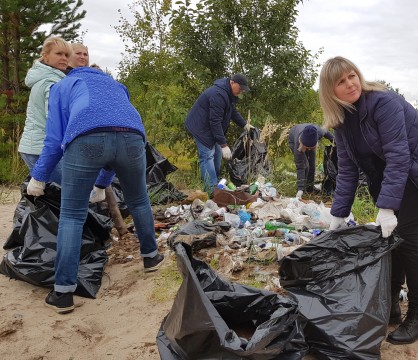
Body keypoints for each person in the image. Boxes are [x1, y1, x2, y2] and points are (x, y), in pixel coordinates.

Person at [320, 56, 418, 344]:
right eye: (341, 82)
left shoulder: (384, 102)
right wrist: (338, 215)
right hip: (389, 174)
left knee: (406, 238)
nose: (350, 83)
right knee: (388, 239)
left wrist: (387, 207)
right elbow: (347, 170)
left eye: (352, 75)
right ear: (331, 92)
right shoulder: (341, 121)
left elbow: (398, 155)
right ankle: (390, 306)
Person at [26, 66, 165, 314]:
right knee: (139, 200)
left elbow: (54, 139)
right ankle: (151, 257)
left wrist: (39, 176)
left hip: (86, 139)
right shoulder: (117, 86)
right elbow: (116, 132)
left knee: (71, 214)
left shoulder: (63, 85)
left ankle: (63, 293)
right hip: (133, 138)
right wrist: (102, 183)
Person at [184, 74, 253, 192]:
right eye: (240, 88)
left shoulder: (228, 93)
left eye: (243, 89)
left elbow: (232, 112)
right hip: (201, 128)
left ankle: (215, 185)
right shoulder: (218, 94)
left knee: (217, 156)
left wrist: (244, 124)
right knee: (207, 156)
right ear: (232, 82)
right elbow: (215, 121)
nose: (241, 91)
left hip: (211, 128)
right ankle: (211, 191)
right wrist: (224, 145)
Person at [18, 36, 71, 184]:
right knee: (69, 191)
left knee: (50, 196)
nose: (64, 58)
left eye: (67, 55)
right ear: (45, 56)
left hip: (33, 147)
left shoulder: (45, 78)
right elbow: (54, 118)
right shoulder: (51, 82)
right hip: (42, 150)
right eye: (59, 54)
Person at [288, 123, 335, 199]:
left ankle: (309, 189)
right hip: (294, 138)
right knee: (305, 165)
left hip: (308, 143)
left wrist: (335, 141)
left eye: (311, 148)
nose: (309, 150)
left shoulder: (319, 132)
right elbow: (300, 167)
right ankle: (302, 190)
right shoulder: (298, 144)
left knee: (312, 165)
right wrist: (300, 189)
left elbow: (327, 132)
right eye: (307, 148)